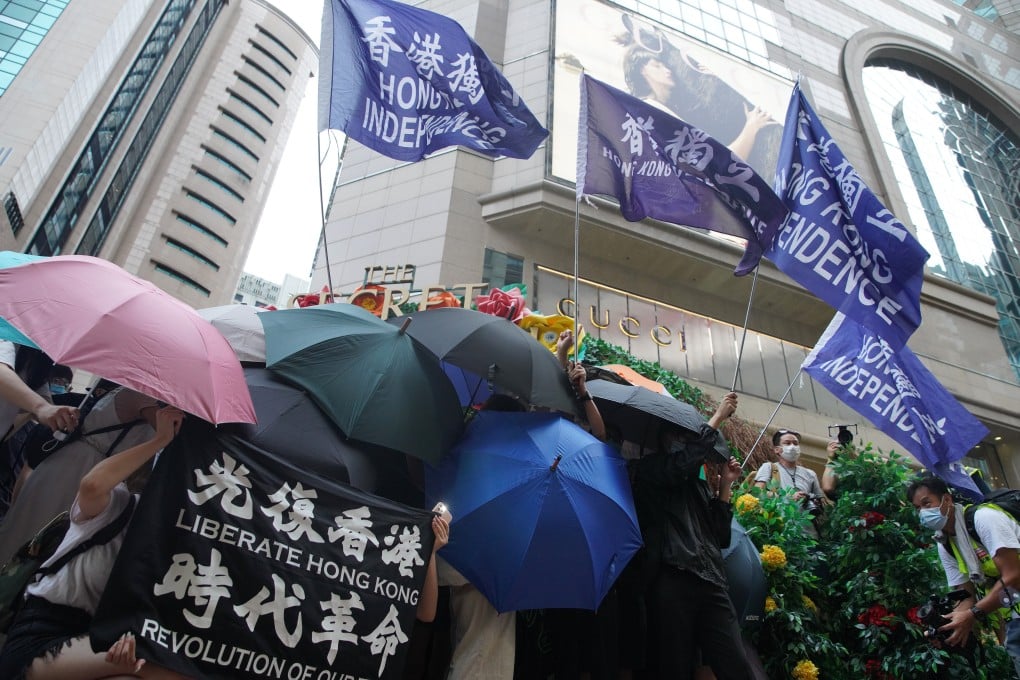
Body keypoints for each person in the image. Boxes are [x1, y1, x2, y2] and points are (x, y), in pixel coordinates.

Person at [0, 406, 187, 680]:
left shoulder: (174, 543)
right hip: (41, 633)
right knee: (159, 667)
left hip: (95, 639)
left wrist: (126, 641)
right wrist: (159, 440)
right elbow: (91, 486)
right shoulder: (121, 505)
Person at [632, 391, 749, 679]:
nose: (683, 443)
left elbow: (720, 537)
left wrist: (724, 487)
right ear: (664, 440)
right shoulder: (650, 469)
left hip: (711, 580)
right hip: (672, 577)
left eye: (687, 438)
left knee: (734, 662)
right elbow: (680, 466)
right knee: (673, 664)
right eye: (678, 437)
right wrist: (718, 417)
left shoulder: (696, 487)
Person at [0, 387, 158, 566]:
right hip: (81, 469)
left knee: (30, 529)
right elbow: (173, 437)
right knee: (37, 532)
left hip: (74, 464)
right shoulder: (146, 396)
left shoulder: (130, 391)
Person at [617, 16, 782, 176]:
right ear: (643, 71)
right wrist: (751, 128)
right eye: (657, 65)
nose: (667, 70)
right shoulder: (653, 113)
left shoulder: (672, 108)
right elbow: (716, 168)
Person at [907, 476, 1020, 676]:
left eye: (927, 503)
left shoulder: (984, 519)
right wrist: (949, 625)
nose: (924, 513)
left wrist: (974, 614)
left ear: (947, 500)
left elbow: (1014, 577)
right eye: (918, 509)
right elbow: (965, 595)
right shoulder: (945, 544)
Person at [754, 429, 826, 536]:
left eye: (795, 443)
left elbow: (822, 504)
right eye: (787, 443)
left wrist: (810, 498)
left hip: (809, 536)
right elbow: (757, 494)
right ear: (777, 450)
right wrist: (787, 497)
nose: (792, 446)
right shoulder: (769, 468)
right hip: (781, 534)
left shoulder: (810, 474)